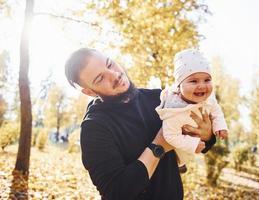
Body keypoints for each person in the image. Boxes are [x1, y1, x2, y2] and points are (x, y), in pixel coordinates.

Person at [64, 48, 216, 200]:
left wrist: (207, 134)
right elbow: (116, 192)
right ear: (90, 92)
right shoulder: (94, 127)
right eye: (100, 79)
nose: (115, 75)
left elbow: (203, 143)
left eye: (110, 64)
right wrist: (159, 146)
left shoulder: (160, 98)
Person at [156, 49, 228, 166]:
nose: (202, 86)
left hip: (196, 146)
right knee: (179, 158)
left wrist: (220, 126)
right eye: (193, 81)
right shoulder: (173, 111)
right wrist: (192, 144)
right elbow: (170, 135)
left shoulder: (209, 99)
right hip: (176, 154)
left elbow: (216, 112)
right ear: (179, 86)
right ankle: (180, 165)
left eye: (207, 80)